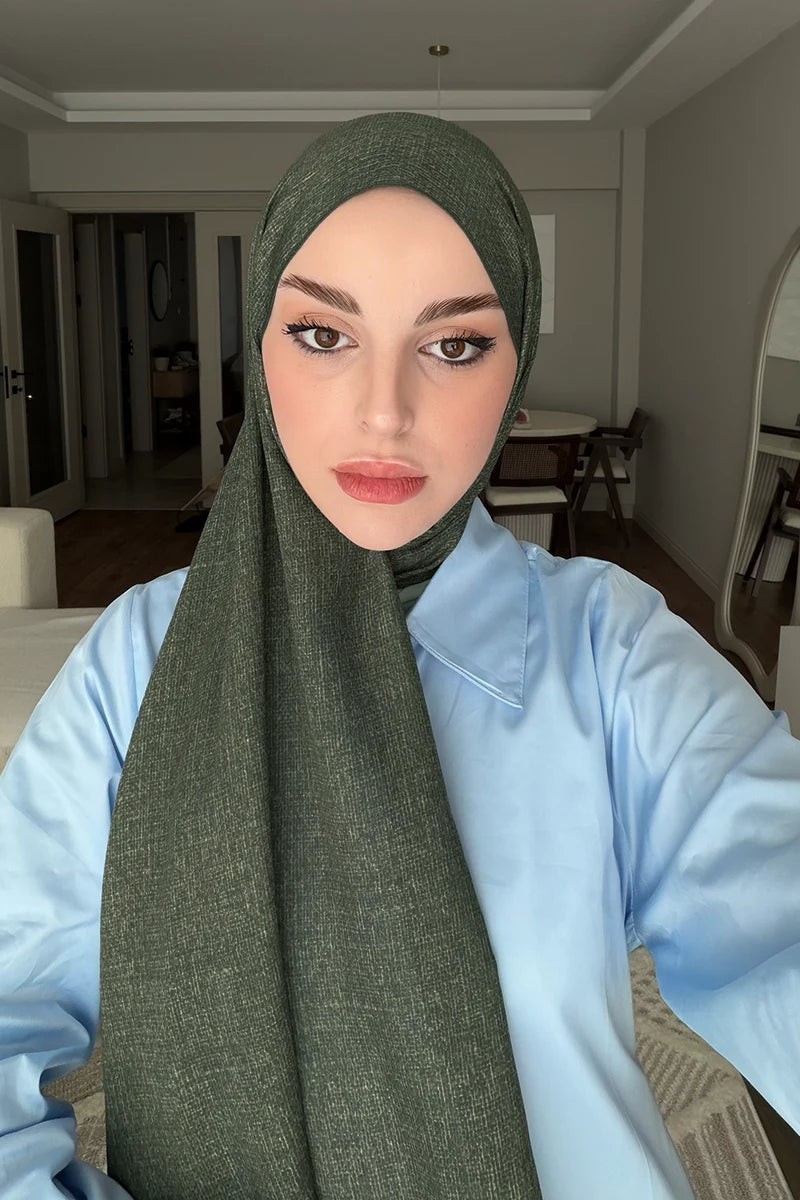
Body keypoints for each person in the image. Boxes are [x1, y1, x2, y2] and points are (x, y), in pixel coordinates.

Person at [0, 111, 798, 1200]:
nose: (384, 412)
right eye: (322, 334)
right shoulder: (135, 665)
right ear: (260, 350)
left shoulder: (611, 655)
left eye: (454, 344)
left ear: (514, 369)